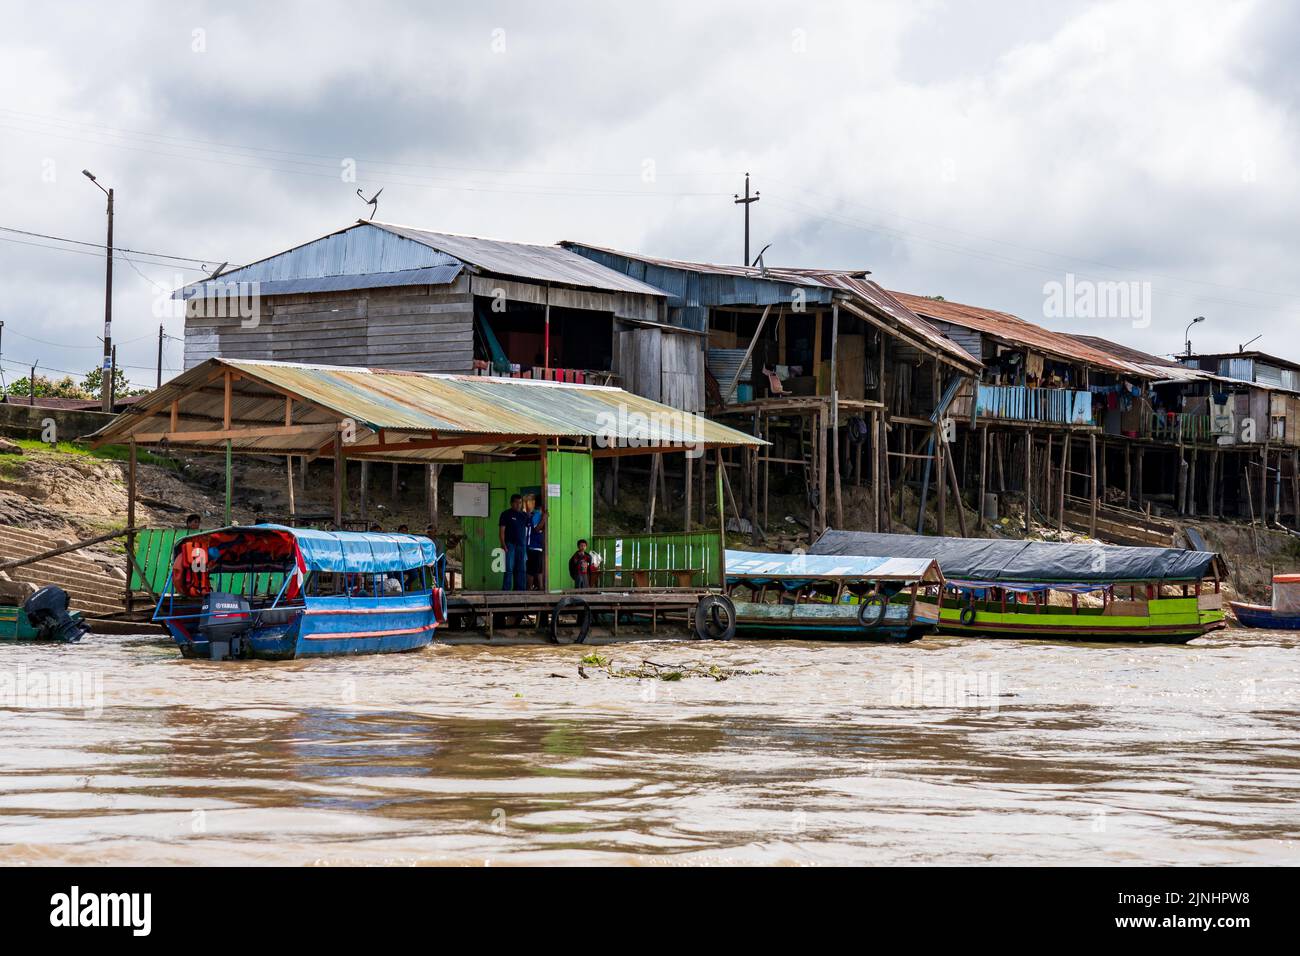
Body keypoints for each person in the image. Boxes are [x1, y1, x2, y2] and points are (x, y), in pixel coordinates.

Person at [498, 494, 529, 591]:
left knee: (521, 569)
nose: (518, 505)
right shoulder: (505, 514)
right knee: (509, 569)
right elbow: (502, 531)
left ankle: (520, 591)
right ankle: (506, 591)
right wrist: (503, 545)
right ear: (511, 503)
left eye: (520, 503)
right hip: (510, 545)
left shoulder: (524, 515)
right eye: (516, 502)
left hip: (521, 545)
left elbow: (531, 529)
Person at [524, 494, 546, 590]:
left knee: (539, 570)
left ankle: (541, 587)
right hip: (534, 546)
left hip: (538, 546)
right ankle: (529, 589)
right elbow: (537, 529)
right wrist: (544, 518)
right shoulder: (537, 514)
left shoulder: (536, 514)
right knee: (532, 570)